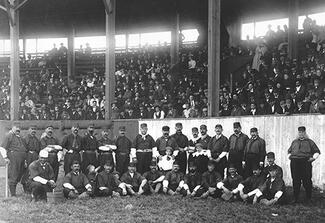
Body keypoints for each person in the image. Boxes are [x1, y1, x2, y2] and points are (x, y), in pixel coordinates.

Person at [288, 126, 320, 203]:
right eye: (299, 132)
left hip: (305, 162)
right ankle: (295, 198)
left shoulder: (310, 142)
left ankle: (308, 198)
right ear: (298, 133)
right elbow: (289, 151)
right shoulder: (294, 142)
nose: (301, 134)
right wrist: (290, 157)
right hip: (295, 163)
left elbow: (317, 151)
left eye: (302, 132)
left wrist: (313, 158)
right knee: (295, 180)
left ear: (305, 133)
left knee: (307, 180)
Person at [1, 126, 27, 196]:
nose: (18, 130)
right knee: (13, 174)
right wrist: (5, 157)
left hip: (22, 158)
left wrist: (24, 160)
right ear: (12, 128)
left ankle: (23, 191)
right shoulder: (9, 136)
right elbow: (2, 147)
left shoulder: (20, 137)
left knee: (20, 174)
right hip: (14, 157)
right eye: (16, 128)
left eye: (19, 128)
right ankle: (13, 194)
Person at [21, 125, 41, 193]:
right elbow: (24, 149)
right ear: (28, 130)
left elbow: (38, 149)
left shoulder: (36, 139)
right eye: (32, 129)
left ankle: (32, 187)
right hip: (28, 155)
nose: (33, 131)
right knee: (27, 171)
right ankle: (25, 187)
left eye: (35, 129)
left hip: (35, 155)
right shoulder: (25, 138)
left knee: (34, 170)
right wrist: (25, 159)